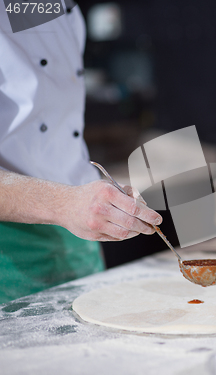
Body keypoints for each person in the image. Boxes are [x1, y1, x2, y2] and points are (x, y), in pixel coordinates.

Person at [0, 3, 162, 304]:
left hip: (80, 244)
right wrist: (64, 204)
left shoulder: (63, 11)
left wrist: (89, 203)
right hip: (10, 253)